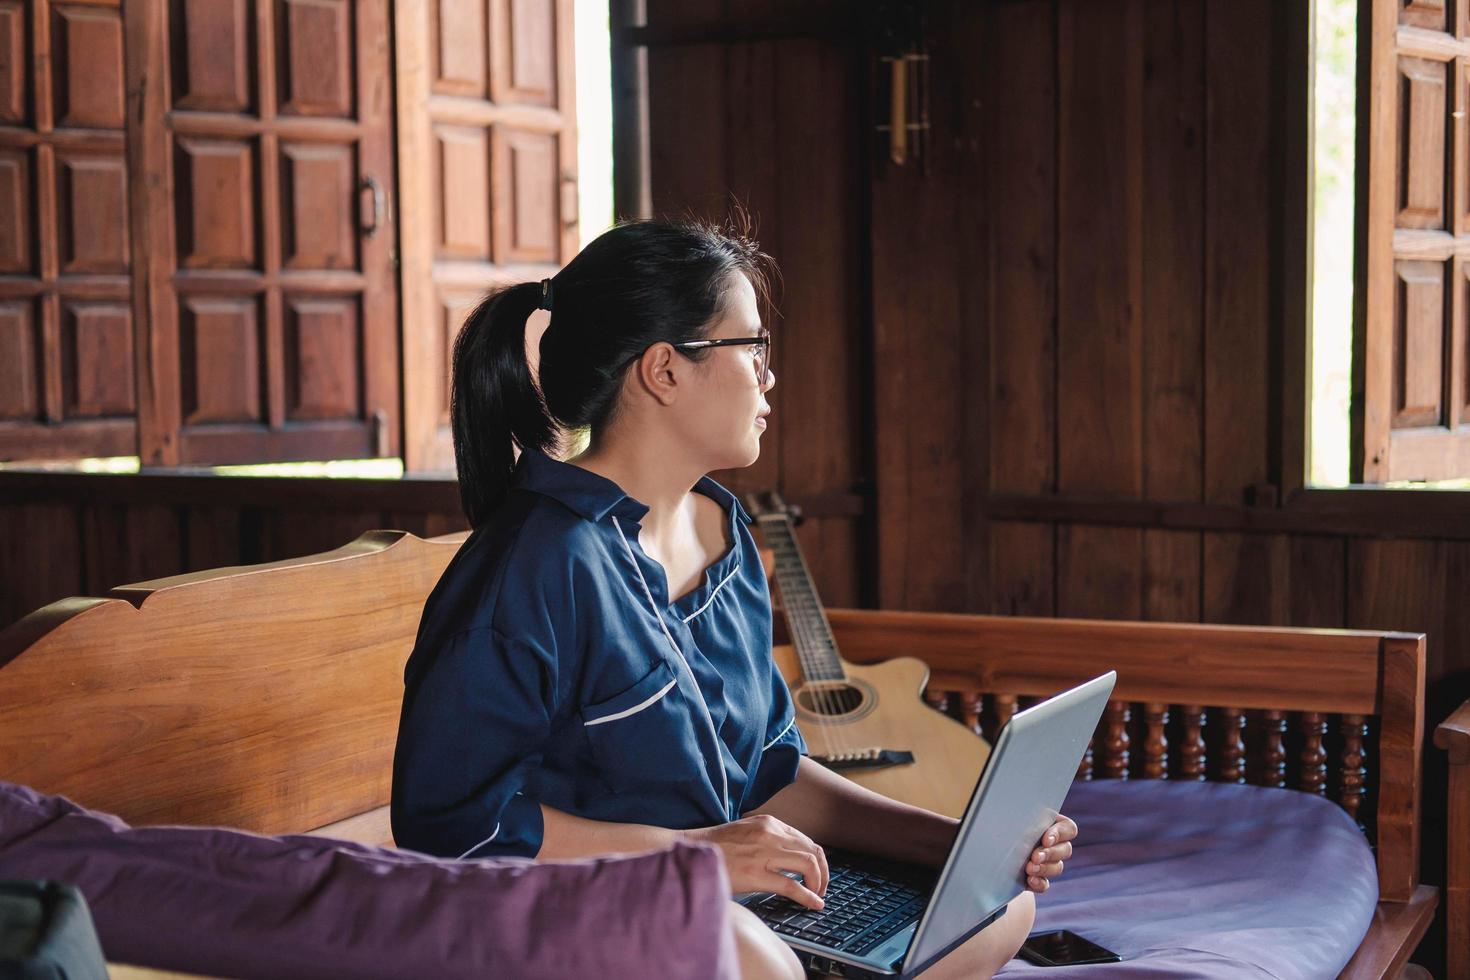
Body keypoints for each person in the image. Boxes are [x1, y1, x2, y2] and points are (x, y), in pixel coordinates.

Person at [390, 216, 1077, 979]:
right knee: (757, 959)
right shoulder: (532, 567)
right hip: (586, 918)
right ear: (664, 371)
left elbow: (766, 771)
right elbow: (451, 824)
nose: (769, 376)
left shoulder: (726, 531)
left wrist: (951, 845)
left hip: (733, 902)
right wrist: (698, 856)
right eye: (752, 347)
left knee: (999, 902)